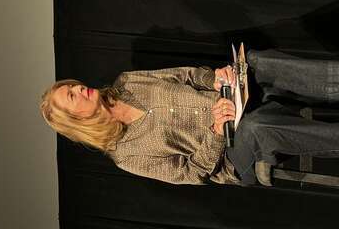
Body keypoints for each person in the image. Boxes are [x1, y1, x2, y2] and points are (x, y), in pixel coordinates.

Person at [40, 50, 339, 186]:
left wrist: (214, 79)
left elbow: (185, 76)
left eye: (72, 86)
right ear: (76, 120)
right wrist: (215, 131)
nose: (79, 88)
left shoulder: (127, 82)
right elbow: (192, 174)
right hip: (231, 156)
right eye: (71, 96)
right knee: (255, 127)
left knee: (254, 63)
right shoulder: (126, 154)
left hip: (231, 100)